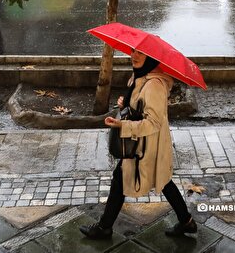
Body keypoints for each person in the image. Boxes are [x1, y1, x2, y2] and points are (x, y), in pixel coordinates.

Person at [79, 49, 197, 239]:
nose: (134, 56)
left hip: (147, 145)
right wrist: (124, 106)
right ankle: (187, 222)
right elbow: (140, 108)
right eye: (133, 51)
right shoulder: (140, 77)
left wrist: (122, 124)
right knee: (158, 181)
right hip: (141, 142)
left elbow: (153, 122)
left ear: (151, 57)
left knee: (126, 179)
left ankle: (104, 228)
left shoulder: (154, 85)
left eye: (140, 53)